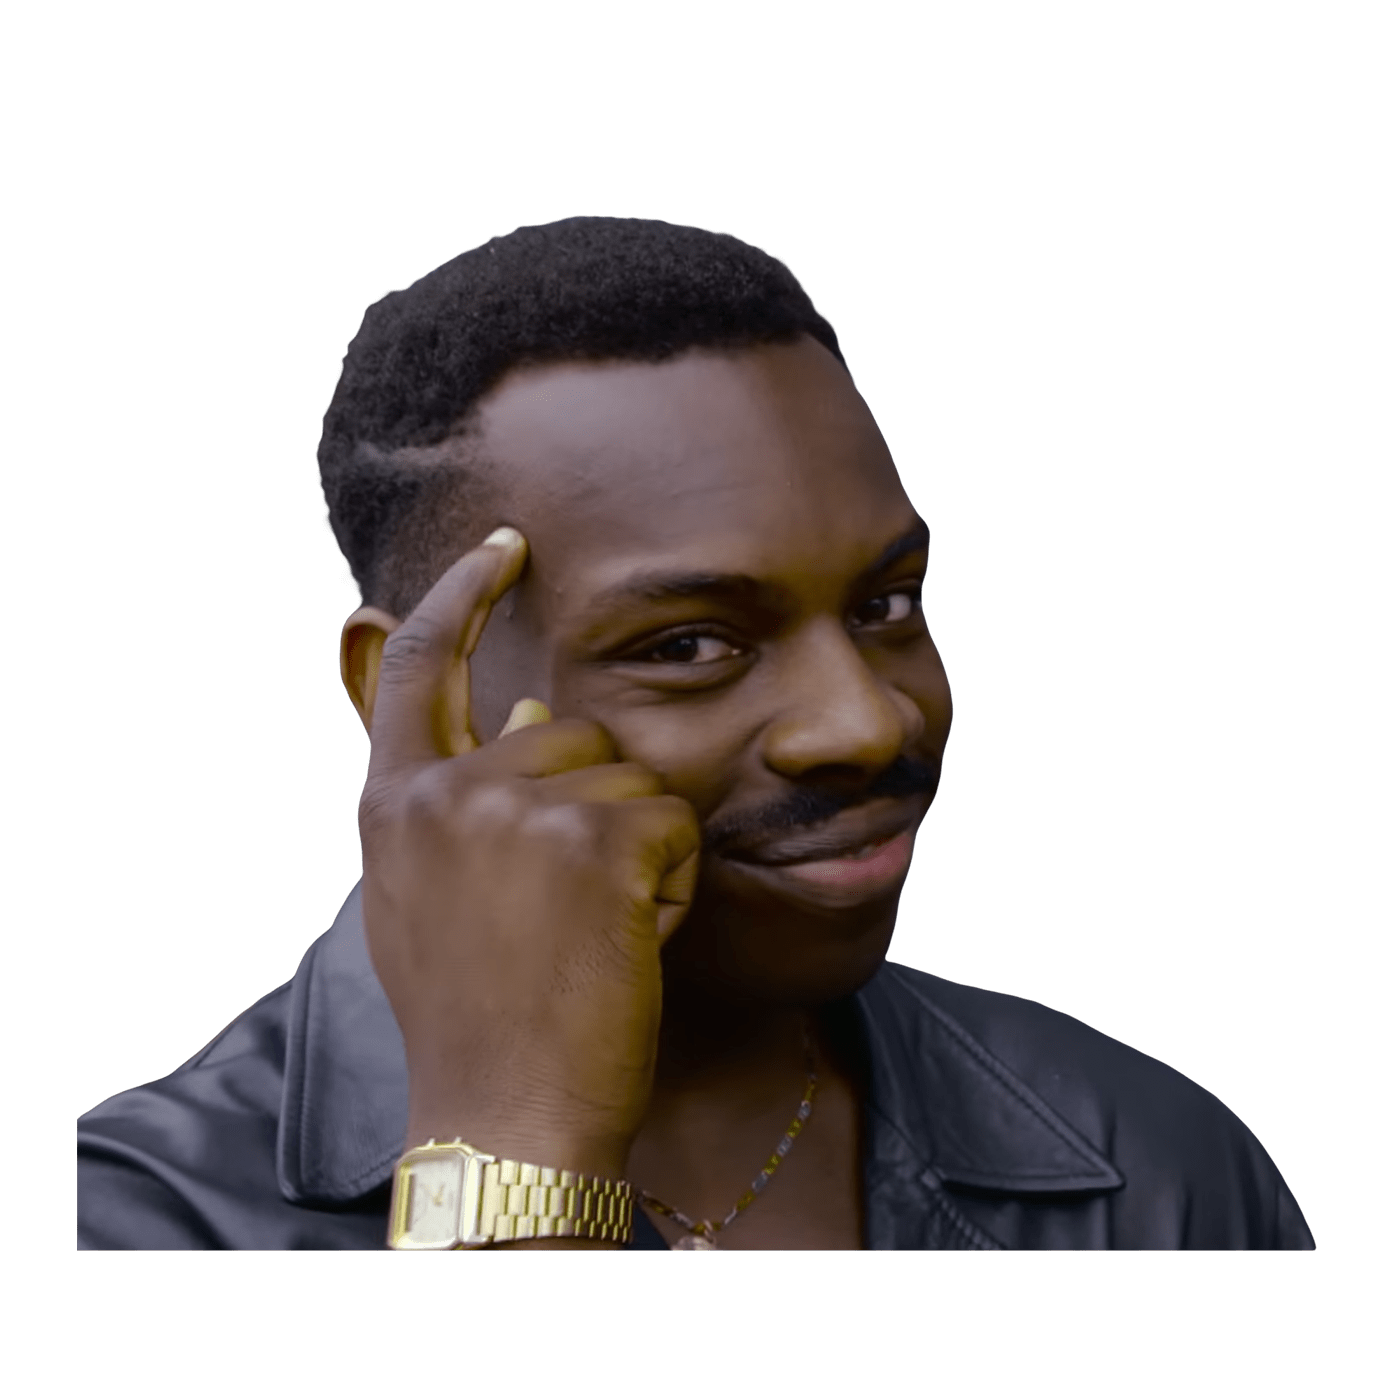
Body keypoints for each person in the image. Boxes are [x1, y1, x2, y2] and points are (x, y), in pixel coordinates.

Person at [77, 217, 1314, 1250]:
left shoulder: (1148, 1168)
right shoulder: (123, 1235)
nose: (865, 719)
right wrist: (511, 1154)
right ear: (420, 694)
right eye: (686, 644)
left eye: (885, 606)